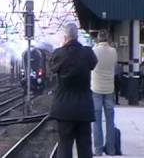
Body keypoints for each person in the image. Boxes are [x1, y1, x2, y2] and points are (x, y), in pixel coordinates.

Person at [49, 23, 98, 158]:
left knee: (64, 146)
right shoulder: (88, 53)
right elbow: (94, 63)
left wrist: (63, 46)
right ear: (77, 36)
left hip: (64, 108)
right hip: (84, 108)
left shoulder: (59, 54)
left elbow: (52, 67)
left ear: (65, 37)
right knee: (85, 147)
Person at [91, 30, 118, 156]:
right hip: (109, 89)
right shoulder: (113, 51)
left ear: (98, 39)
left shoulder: (94, 51)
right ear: (108, 39)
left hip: (96, 89)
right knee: (110, 120)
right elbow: (114, 64)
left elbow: (91, 65)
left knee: (96, 121)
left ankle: (98, 150)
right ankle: (111, 150)